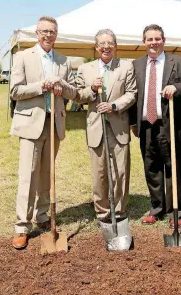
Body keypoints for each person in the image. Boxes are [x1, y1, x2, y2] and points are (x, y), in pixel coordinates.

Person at [10, 16, 77, 249]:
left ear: (57, 34)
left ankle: (42, 216)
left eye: (52, 31)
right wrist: (42, 86)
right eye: (44, 31)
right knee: (28, 174)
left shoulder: (64, 60)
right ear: (37, 33)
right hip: (31, 124)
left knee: (47, 174)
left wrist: (61, 85)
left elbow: (73, 92)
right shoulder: (22, 57)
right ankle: (22, 226)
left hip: (54, 123)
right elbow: (15, 91)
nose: (48, 35)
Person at [129, 24, 181, 227]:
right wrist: (134, 123)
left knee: (175, 168)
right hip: (146, 126)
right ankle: (157, 208)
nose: (154, 43)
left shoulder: (179, 62)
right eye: (149, 39)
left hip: (172, 125)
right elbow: (133, 96)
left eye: (157, 39)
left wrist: (176, 87)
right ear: (144, 42)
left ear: (164, 40)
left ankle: (176, 212)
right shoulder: (136, 65)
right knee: (151, 168)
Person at [74, 29, 137, 223]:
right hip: (96, 127)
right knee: (99, 171)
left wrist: (114, 106)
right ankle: (102, 212)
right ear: (96, 47)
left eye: (110, 43)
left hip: (118, 126)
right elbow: (78, 96)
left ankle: (119, 210)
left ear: (116, 46)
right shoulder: (86, 69)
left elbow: (132, 93)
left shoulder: (126, 66)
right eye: (102, 43)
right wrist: (91, 89)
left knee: (121, 171)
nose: (106, 47)